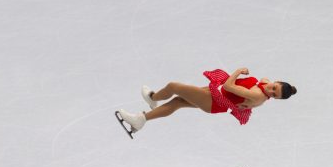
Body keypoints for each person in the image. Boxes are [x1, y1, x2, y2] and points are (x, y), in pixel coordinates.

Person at [115, 68, 296, 136]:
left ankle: (152, 98)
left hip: (215, 100)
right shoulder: (264, 83)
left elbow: (229, 85)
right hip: (215, 95)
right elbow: (263, 80)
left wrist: (238, 71)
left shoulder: (257, 96)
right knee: (178, 102)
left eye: (274, 95)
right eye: (274, 87)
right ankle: (142, 119)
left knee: (174, 86)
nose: (270, 91)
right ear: (276, 81)